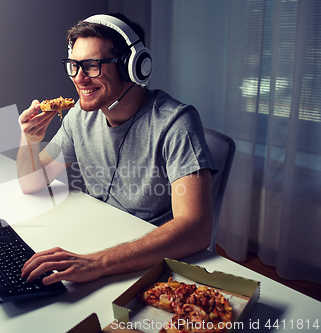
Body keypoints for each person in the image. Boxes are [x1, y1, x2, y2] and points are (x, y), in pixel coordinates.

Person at [17, 13, 217, 285]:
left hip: (156, 262)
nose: (79, 78)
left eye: (92, 66)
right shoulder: (78, 116)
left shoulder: (176, 123)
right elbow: (32, 182)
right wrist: (28, 140)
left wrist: (97, 263)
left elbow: (197, 229)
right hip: (100, 242)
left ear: (132, 67)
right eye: (73, 66)